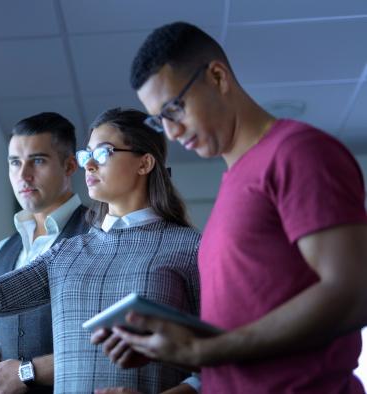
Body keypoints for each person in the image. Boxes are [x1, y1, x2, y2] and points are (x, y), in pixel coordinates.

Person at [95, 21, 367, 393]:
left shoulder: (298, 154)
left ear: (218, 77)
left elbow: (352, 294)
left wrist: (204, 350)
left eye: (175, 108)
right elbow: (248, 335)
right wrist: (172, 345)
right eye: (159, 120)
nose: (170, 132)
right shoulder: (234, 184)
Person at [0, 108, 202, 393]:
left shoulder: (191, 248)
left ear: (144, 163)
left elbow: (218, 360)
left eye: (103, 152)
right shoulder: (68, 252)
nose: (89, 164)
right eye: (87, 154)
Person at [0, 112, 90, 394]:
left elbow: (103, 349)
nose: (23, 175)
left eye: (38, 160)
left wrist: (25, 373)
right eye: (15, 162)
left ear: (70, 165)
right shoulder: (2, 251)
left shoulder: (99, 235)